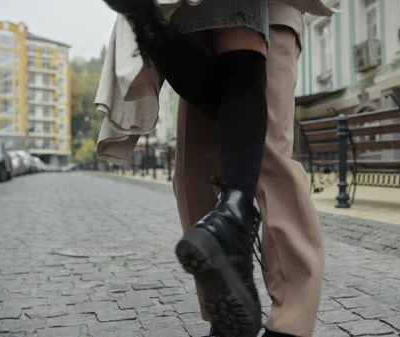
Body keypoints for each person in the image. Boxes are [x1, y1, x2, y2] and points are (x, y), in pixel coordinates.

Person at [100, 1, 336, 336]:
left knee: (256, 160)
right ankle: (230, 311)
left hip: (247, 16)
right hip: (196, 20)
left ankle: (287, 323)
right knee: (203, 170)